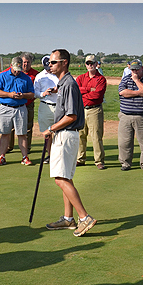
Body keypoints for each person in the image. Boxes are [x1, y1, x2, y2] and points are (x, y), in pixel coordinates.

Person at [42, 49, 96, 238]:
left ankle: (84, 217)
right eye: (49, 62)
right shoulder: (63, 84)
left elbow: (71, 115)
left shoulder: (69, 84)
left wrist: (51, 128)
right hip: (64, 134)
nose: (50, 65)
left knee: (60, 179)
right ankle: (68, 218)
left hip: (66, 135)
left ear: (64, 63)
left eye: (53, 62)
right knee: (65, 177)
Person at [0, 57, 35, 166]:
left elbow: (32, 94)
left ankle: (25, 157)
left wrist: (23, 95)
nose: (17, 71)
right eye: (15, 68)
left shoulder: (26, 78)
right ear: (11, 65)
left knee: (22, 133)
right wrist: (10, 94)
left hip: (21, 107)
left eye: (19, 69)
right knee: (5, 133)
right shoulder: (2, 76)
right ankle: (2, 156)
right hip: (5, 108)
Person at [117, 59, 143, 172]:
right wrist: (139, 92)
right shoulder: (125, 79)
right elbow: (122, 92)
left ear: (142, 68)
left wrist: (137, 81)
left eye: (137, 69)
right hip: (125, 115)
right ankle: (125, 163)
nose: (134, 71)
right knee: (124, 142)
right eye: (132, 69)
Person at [76, 55, 107, 170]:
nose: (90, 65)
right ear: (85, 64)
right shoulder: (81, 78)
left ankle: (99, 160)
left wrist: (84, 94)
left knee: (96, 136)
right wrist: (88, 90)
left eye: (92, 63)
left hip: (95, 109)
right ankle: (80, 158)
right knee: (80, 135)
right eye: (88, 63)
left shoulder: (101, 79)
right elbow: (76, 90)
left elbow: (97, 95)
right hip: (81, 109)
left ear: (96, 64)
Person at [34, 55, 59, 163]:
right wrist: (43, 93)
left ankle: (59, 155)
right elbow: (35, 92)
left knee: (59, 132)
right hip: (45, 105)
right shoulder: (39, 76)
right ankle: (50, 155)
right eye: (46, 66)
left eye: (50, 65)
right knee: (47, 132)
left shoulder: (59, 75)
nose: (48, 68)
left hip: (59, 105)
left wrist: (57, 90)